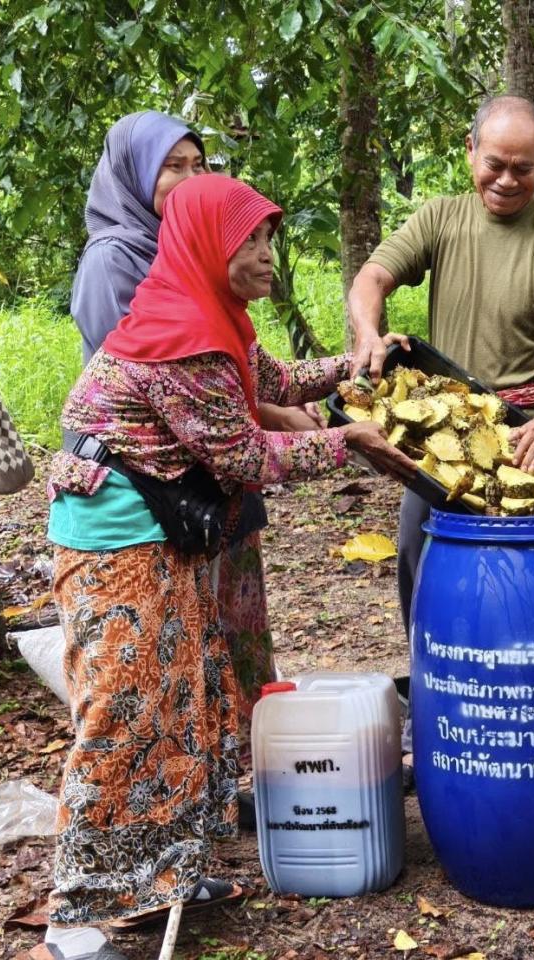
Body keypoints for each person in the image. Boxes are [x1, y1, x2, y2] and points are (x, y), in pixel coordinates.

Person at [41, 175, 413, 960]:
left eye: (271, 239)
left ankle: (167, 875)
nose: (268, 256)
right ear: (213, 244)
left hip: (160, 528)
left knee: (189, 695)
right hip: (111, 536)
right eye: (255, 240)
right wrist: (347, 442)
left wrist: (359, 363)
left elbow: (275, 385)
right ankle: (74, 917)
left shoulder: (220, 320)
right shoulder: (185, 336)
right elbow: (245, 452)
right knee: (123, 711)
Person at [69, 112, 322, 771]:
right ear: (134, 175)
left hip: (207, 483)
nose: (188, 178)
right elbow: (179, 388)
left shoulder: (209, 260)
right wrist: (315, 430)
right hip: (149, 493)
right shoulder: (118, 263)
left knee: (227, 632)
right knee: (165, 664)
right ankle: (207, 778)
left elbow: (258, 370)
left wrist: (349, 369)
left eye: (197, 165)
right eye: (171, 166)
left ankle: (246, 763)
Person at [347, 94, 534, 638]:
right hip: (444, 431)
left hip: (528, 434)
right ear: (471, 152)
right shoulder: (441, 218)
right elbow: (373, 277)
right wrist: (368, 334)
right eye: (495, 164)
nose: (507, 180)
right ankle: (432, 687)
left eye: (523, 168)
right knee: (424, 567)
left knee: (530, 586)